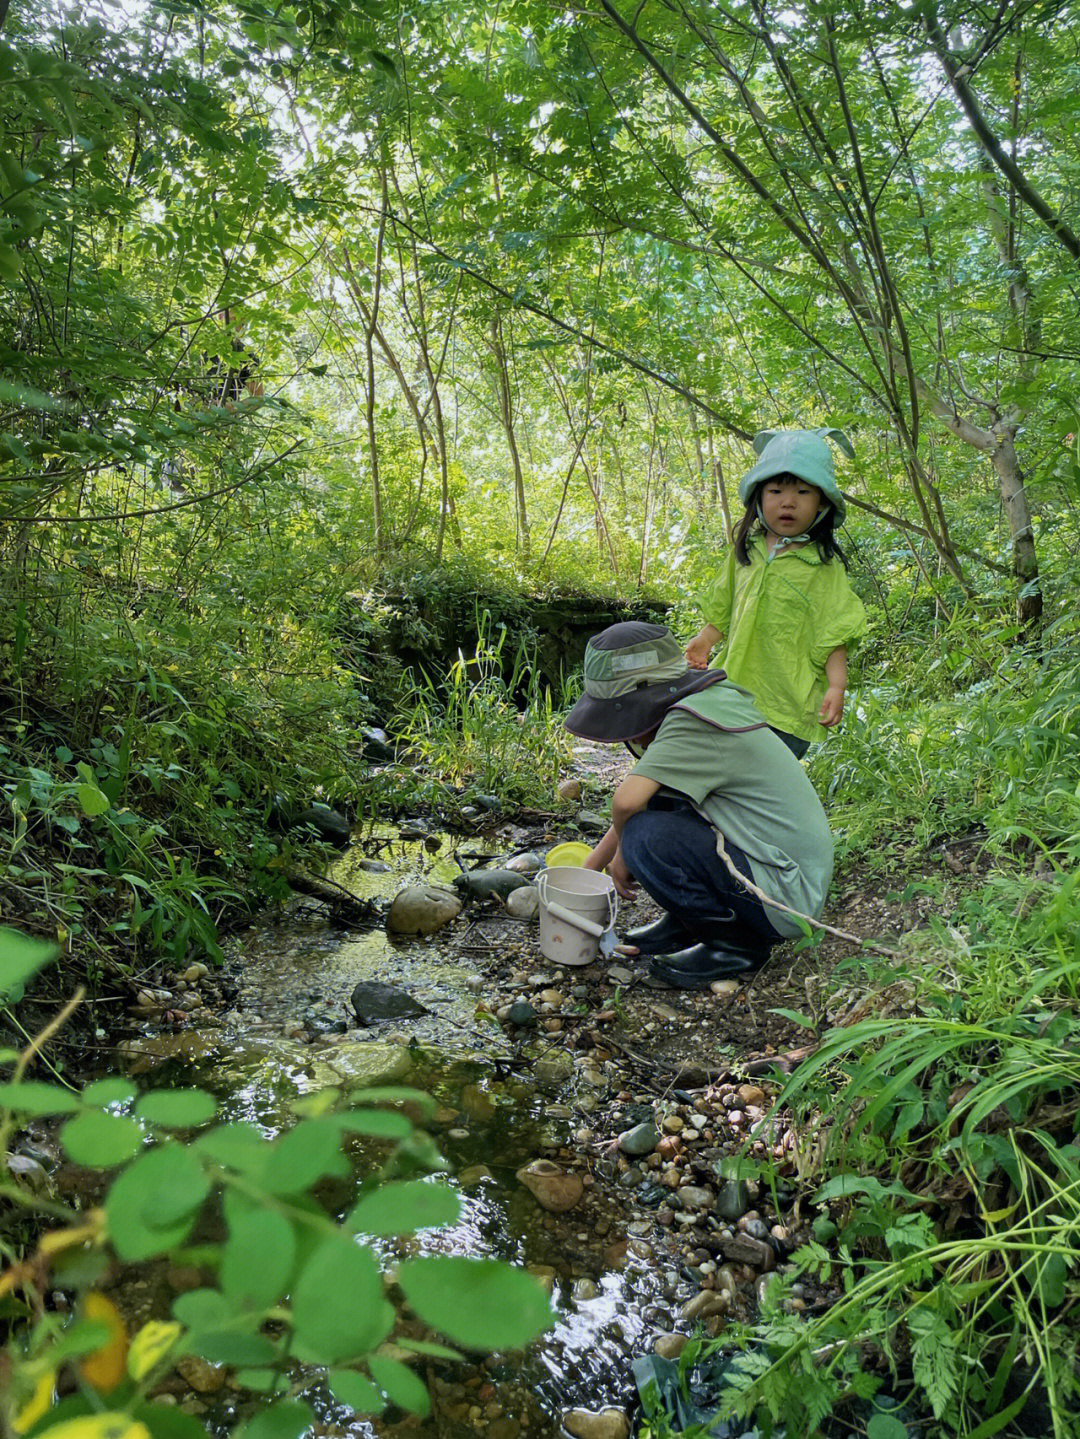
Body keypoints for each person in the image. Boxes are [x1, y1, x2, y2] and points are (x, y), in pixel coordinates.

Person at [563, 622, 834, 989]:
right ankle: (689, 924)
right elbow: (646, 798)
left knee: (645, 835)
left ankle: (735, 945)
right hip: (780, 872)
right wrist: (586, 875)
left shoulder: (692, 722)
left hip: (786, 899)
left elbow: (626, 803)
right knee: (658, 807)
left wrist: (624, 854)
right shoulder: (704, 701)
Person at [684, 429, 867, 759]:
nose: (788, 501)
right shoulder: (746, 553)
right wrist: (706, 640)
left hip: (787, 706)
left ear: (822, 502)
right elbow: (726, 606)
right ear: (759, 496)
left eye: (802, 491)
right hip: (733, 694)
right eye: (776, 490)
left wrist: (837, 686)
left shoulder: (822, 568)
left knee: (761, 786)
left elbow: (835, 631)